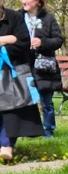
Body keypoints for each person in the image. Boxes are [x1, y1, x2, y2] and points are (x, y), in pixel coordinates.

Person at [0, 0, 42, 160]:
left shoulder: (14, 17)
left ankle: (6, 145)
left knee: (11, 112)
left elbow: (23, 43)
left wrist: (3, 43)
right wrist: (8, 38)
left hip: (12, 72)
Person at [19, 0, 62, 137]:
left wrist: (42, 42)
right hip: (23, 64)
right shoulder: (17, 17)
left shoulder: (48, 18)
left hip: (42, 65)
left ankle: (48, 130)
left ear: (38, 2)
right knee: (24, 100)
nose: (23, 1)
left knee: (46, 101)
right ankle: (29, 131)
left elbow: (58, 40)